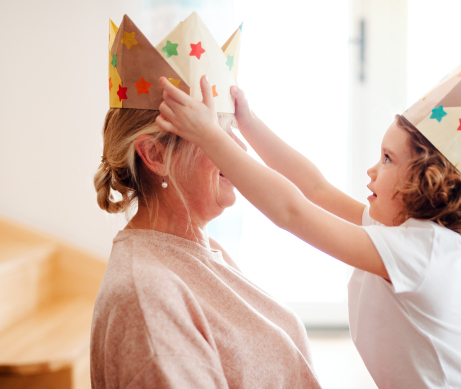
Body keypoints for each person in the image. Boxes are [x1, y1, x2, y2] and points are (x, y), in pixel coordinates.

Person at [156, 74, 461, 388]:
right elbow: (315, 189)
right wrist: (248, 123)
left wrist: (208, 137)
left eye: (388, 159)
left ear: (425, 183)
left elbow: (292, 211)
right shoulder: (400, 230)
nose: (372, 170)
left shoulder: (421, 250)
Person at [90, 107, 321, 388]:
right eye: (215, 131)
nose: (239, 147)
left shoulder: (209, 249)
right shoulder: (146, 296)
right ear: (155, 155)